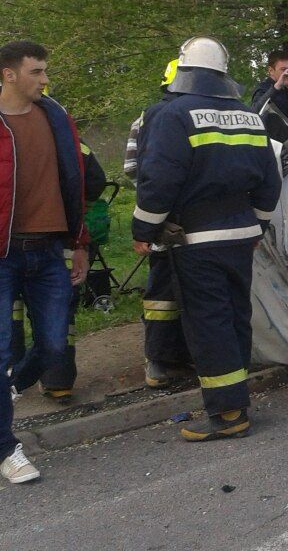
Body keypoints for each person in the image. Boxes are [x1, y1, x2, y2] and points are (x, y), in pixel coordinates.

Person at [0, 40, 89, 483]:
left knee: (54, 345)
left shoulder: (56, 117)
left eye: (44, 71)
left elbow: (75, 184)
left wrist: (80, 242)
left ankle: (10, 386)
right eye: (36, 71)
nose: (45, 79)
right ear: (10, 74)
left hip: (48, 252)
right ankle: (6, 449)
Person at [132, 36, 280, 441]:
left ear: (184, 70)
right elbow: (270, 183)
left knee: (208, 322)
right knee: (234, 316)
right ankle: (237, 398)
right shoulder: (249, 116)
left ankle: (229, 413)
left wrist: (143, 230)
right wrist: (258, 227)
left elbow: (158, 181)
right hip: (242, 235)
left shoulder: (174, 115)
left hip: (197, 240)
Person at [10, 140, 107, 403]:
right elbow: (96, 179)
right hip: (61, 236)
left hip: (8, 241)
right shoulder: (67, 139)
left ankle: (11, 375)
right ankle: (58, 380)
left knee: (9, 307)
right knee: (58, 308)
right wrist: (77, 207)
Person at [124, 59, 193, 388]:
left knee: (162, 291)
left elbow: (130, 169)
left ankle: (160, 361)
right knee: (182, 292)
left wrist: (153, 205)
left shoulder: (146, 117)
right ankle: (178, 358)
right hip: (194, 222)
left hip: (161, 221)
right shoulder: (197, 114)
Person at [250, 50, 288, 123]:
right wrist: (276, 87)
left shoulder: (284, 89)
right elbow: (253, 113)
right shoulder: (263, 89)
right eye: (283, 69)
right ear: (271, 70)